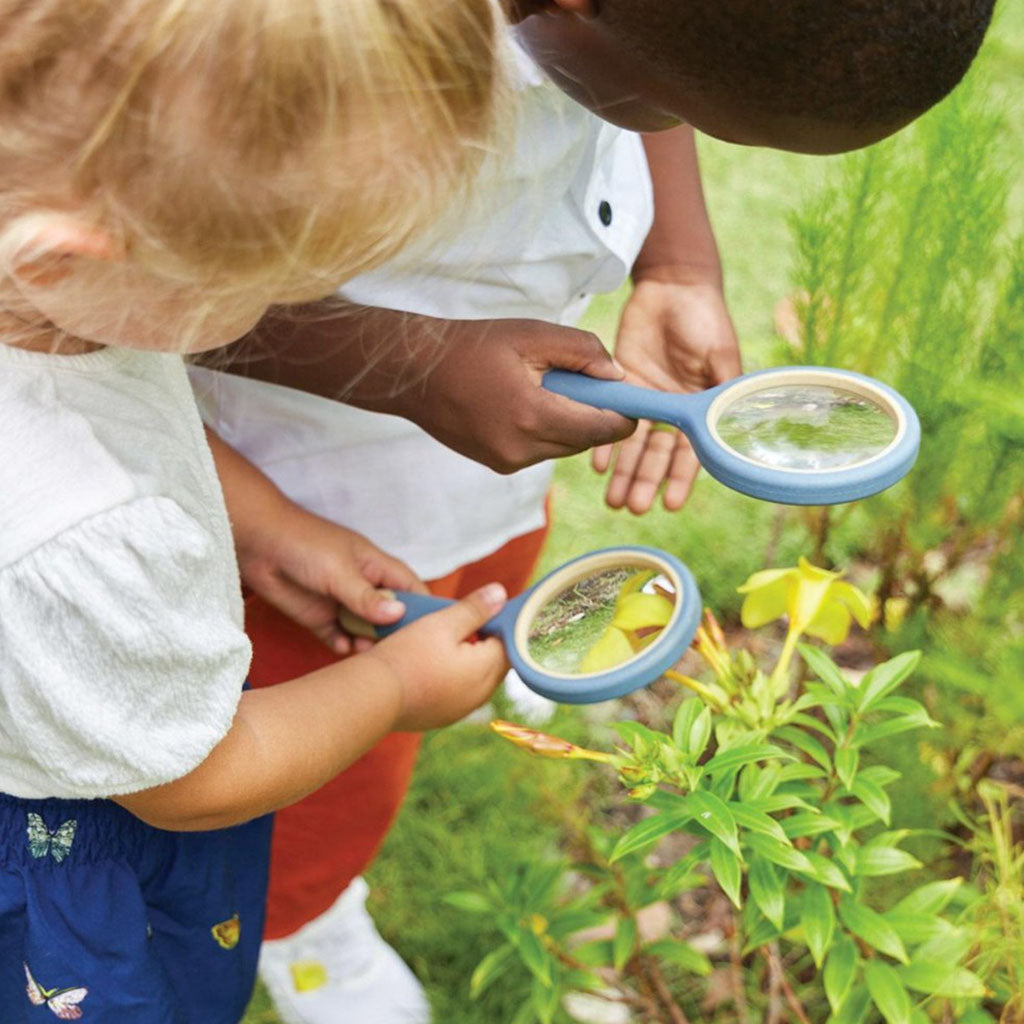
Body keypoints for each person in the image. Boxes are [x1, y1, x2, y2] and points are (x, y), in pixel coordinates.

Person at [196, 1, 997, 1021]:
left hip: (469, 449)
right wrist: (409, 371)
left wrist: (678, 261)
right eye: (656, 102)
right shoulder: (296, 56)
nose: (667, 125)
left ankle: (476, 645)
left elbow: (658, 67)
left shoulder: (624, 27)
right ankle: (296, 917)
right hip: (282, 479)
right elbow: (120, 291)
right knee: (330, 753)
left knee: (488, 564)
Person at [0, 2, 507, 1022]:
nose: (271, 310)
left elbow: (116, 399)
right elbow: (189, 777)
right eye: (263, 287)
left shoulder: (43, 295)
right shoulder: (72, 527)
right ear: (64, 257)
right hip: (70, 849)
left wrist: (266, 521)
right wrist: (392, 686)